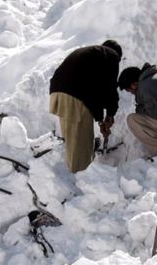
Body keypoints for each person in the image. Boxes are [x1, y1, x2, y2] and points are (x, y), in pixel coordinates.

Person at [49, 40, 122, 173]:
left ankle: (71, 175)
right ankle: (81, 179)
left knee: (72, 139)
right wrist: (110, 115)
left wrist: (101, 119)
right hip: (74, 95)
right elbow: (109, 89)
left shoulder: (90, 54)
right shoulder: (111, 55)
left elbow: (94, 92)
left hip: (58, 92)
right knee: (81, 143)